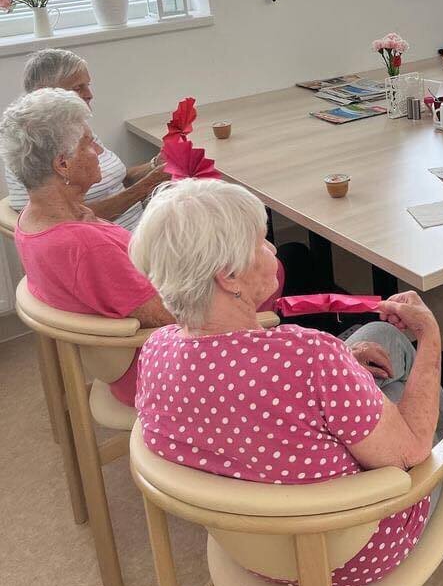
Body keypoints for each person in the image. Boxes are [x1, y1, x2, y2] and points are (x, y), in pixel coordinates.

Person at [132, 178, 443, 586]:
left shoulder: (156, 351)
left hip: (252, 548)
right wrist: (430, 333)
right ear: (229, 276)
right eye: (261, 242)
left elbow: (258, 396)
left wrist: (346, 363)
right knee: (403, 389)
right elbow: (411, 449)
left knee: (381, 338)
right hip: (349, 548)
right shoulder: (310, 355)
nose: (273, 250)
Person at [0, 89, 287, 405]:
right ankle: (284, 378)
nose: (98, 150)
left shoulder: (35, 218)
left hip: (134, 353)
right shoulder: (86, 248)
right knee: (278, 266)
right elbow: (174, 316)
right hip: (163, 366)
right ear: (63, 164)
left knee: (283, 256)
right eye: (88, 144)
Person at [4, 49, 166, 230]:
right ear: (45, 93)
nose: (89, 94)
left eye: (87, 85)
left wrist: (155, 164)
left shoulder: (75, 128)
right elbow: (62, 221)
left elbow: (115, 181)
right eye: (78, 88)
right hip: (115, 239)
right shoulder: (28, 148)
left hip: (139, 227)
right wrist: (147, 185)